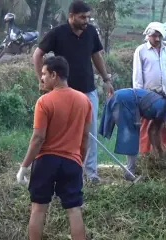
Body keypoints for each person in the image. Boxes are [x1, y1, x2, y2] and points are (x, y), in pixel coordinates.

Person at [32, 0, 113, 184]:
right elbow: (37, 55)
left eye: (88, 17)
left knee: (90, 133)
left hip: (88, 91)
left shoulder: (91, 32)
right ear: (71, 16)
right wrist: (42, 81)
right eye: (82, 17)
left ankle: (91, 173)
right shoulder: (58, 33)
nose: (86, 21)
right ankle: (62, 172)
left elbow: (96, 56)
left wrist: (107, 79)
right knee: (61, 133)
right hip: (63, 94)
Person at [16, 56, 92, 240]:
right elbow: (84, 137)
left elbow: (38, 138)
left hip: (46, 161)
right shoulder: (84, 101)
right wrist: (79, 161)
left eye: (44, 74)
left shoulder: (44, 102)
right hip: (72, 162)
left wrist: (24, 167)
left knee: (38, 208)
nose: (41, 78)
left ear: (54, 75)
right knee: (74, 210)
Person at [99, 88, 166, 181]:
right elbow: (154, 132)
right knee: (132, 135)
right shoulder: (163, 107)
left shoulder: (163, 104)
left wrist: (156, 152)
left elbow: (152, 131)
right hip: (124, 100)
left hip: (120, 96)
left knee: (132, 135)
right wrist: (161, 153)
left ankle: (130, 170)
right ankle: (130, 173)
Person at [133, 21, 166, 157]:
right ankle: (145, 157)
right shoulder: (141, 51)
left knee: (164, 128)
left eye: (160, 36)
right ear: (148, 35)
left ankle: (162, 155)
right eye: (154, 36)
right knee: (146, 128)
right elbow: (137, 77)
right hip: (148, 97)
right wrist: (139, 97)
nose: (157, 39)